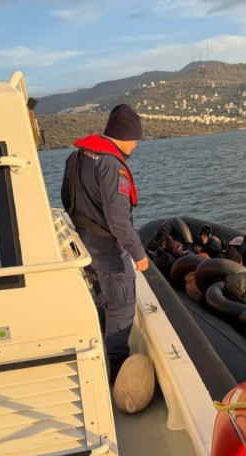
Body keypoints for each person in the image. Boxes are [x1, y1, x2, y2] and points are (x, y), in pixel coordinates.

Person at [61, 104, 149, 381]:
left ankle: (100, 354)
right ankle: (118, 369)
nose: (135, 145)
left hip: (84, 242)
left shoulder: (76, 157)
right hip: (108, 248)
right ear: (123, 135)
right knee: (122, 303)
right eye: (134, 139)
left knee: (102, 298)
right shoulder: (112, 166)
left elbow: (66, 198)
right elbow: (118, 219)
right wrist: (138, 253)